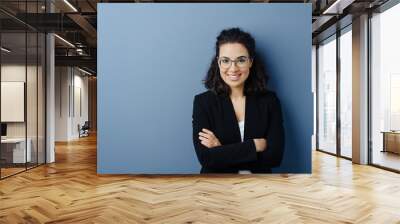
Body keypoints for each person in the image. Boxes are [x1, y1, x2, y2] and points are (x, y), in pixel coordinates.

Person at [192, 27, 285, 174]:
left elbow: (274, 157)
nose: (233, 68)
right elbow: (206, 158)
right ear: (218, 62)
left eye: (241, 60)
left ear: (251, 62)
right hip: (216, 189)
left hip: (259, 189)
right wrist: (254, 145)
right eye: (226, 60)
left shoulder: (269, 101)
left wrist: (221, 151)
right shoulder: (203, 103)